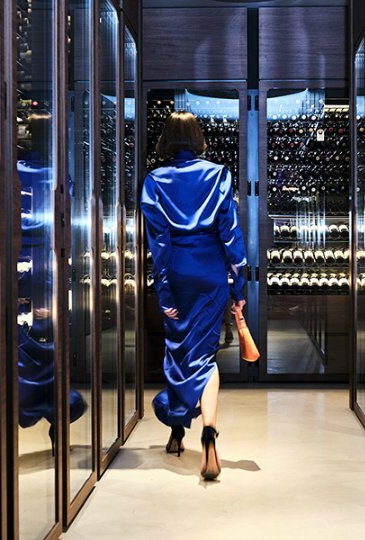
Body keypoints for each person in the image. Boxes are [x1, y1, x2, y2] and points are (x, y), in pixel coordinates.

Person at [0, 113, 86, 480]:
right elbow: (70, 233)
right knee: (51, 354)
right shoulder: (61, 180)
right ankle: (56, 430)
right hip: (44, 274)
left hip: (2, 273)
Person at [141, 111, 247, 481]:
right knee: (206, 355)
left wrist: (164, 289)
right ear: (199, 138)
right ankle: (209, 430)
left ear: (166, 140)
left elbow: (158, 243)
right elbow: (230, 232)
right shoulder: (218, 174)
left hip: (178, 273)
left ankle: (175, 432)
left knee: (178, 351)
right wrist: (240, 283)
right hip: (212, 272)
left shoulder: (154, 181)